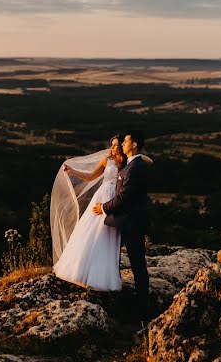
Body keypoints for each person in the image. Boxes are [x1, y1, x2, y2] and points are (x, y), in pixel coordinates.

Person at [52, 135, 126, 291]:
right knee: (91, 231)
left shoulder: (128, 162)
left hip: (116, 200)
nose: (113, 148)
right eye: (112, 145)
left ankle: (103, 274)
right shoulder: (107, 161)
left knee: (109, 234)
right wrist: (73, 172)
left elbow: (145, 160)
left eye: (117, 145)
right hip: (102, 197)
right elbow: (91, 176)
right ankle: (80, 269)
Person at [93, 130, 150, 319]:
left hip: (132, 222)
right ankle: (121, 296)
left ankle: (142, 308)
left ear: (134, 145)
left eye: (125, 141)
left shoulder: (134, 167)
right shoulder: (132, 164)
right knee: (122, 258)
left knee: (137, 264)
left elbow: (124, 197)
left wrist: (104, 208)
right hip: (127, 221)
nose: (123, 144)